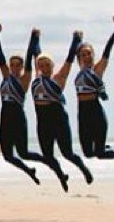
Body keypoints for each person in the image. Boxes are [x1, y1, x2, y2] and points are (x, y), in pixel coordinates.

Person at [30, 31, 94, 191]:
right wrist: (35, 38)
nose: (44, 68)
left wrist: (76, 40)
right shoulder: (37, 78)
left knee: (67, 153)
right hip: (43, 123)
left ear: (52, 66)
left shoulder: (59, 78)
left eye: (47, 65)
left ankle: (84, 169)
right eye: (41, 65)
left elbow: (70, 59)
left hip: (59, 121)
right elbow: (36, 54)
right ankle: (61, 175)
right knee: (48, 155)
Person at [0, 28, 45, 184]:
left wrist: (33, 38)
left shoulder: (24, 79)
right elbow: (0, 58)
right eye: (12, 65)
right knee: (7, 156)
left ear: (21, 67)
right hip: (5, 118)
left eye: (17, 65)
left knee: (24, 153)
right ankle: (29, 170)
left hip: (17, 118)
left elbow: (29, 58)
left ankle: (46, 160)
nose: (14, 68)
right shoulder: (6, 77)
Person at [74, 15, 114, 161]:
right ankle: (109, 148)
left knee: (99, 154)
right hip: (83, 114)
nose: (87, 56)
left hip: (96, 113)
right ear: (79, 58)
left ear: (93, 55)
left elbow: (108, 48)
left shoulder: (97, 70)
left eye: (89, 53)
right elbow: (73, 51)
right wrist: (77, 39)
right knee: (88, 153)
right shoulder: (79, 71)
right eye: (83, 54)